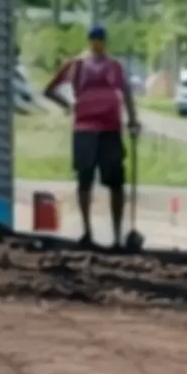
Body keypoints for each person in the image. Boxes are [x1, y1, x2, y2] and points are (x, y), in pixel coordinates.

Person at [45, 25, 141, 248]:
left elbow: (126, 92)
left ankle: (117, 237)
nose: (97, 43)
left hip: (110, 128)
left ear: (104, 41)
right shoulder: (76, 64)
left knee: (115, 182)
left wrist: (133, 120)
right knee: (85, 180)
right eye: (94, 39)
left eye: (100, 39)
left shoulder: (113, 66)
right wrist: (67, 105)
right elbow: (50, 89)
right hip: (85, 128)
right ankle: (88, 232)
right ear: (89, 41)